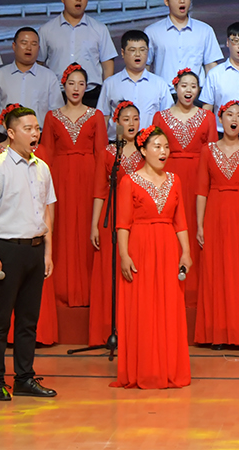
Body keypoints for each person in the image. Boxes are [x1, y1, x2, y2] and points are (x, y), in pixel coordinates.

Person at [0, 105, 58, 400]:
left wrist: (48, 253)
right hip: (7, 250)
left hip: (35, 250)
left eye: (37, 128)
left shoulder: (42, 168)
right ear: (11, 133)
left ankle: (25, 378)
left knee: (28, 321)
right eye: (28, 128)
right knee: (0, 321)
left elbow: (46, 213)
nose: (35, 133)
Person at [112, 126, 193, 389]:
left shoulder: (175, 180)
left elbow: (180, 221)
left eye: (166, 147)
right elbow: (123, 224)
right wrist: (124, 254)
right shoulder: (129, 181)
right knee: (143, 307)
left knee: (169, 306)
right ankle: (145, 369)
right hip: (141, 248)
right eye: (157, 146)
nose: (163, 151)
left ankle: (168, 368)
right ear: (143, 150)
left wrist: (186, 252)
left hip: (168, 247)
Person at [194, 100, 239, 348]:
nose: (234, 119)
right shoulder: (207, 150)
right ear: (220, 119)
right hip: (215, 213)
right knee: (217, 271)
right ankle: (219, 332)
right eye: (229, 115)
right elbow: (201, 190)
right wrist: (200, 224)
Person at [40, 64, 104, 307]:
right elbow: (46, 154)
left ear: (87, 87)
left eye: (81, 84)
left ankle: (87, 289)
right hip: (61, 178)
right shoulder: (52, 116)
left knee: (87, 227)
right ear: (63, 86)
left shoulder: (95, 115)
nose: (76, 88)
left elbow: (101, 155)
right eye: (71, 83)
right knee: (63, 227)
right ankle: (62, 288)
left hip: (88, 176)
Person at [154, 68, 218, 292]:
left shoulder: (208, 117)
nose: (188, 90)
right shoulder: (160, 117)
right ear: (175, 88)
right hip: (169, 177)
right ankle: (168, 285)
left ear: (199, 90)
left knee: (196, 226)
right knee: (171, 226)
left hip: (199, 179)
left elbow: (213, 153)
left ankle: (196, 289)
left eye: (193, 86)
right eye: (184, 85)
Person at [87, 101, 145, 350]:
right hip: (112, 217)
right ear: (117, 123)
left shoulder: (146, 150)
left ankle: (136, 332)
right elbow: (100, 191)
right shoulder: (109, 153)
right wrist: (95, 224)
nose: (131, 124)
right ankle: (110, 330)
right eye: (126, 119)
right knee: (110, 273)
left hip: (139, 219)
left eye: (135, 119)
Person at [37, 0, 117, 107]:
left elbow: (107, 64)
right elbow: (38, 64)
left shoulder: (99, 29)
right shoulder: (46, 30)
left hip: (91, 95)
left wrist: (105, 96)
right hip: (57, 96)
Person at [144, 0, 223, 81]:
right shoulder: (152, 32)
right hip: (165, 90)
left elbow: (211, 66)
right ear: (166, 1)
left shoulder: (205, 30)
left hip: (196, 90)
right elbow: (145, 66)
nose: (182, 1)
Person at [0, 28, 61, 126]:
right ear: (14, 46)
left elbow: (56, 113)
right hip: (6, 134)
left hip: (38, 133)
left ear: (38, 48)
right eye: (24, 43)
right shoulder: (0, 75)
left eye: (33, 44)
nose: (29, 48)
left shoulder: (49, 77)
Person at [96, 30, 171, 130]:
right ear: (123, 53)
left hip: (149, 138)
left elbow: (168, 118)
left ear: (148, 51)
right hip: (118, 138)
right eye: (132, 50)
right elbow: (103, 118)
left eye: (142, 50)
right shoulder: (110, 84)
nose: (138, 54)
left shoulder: (160, 84)